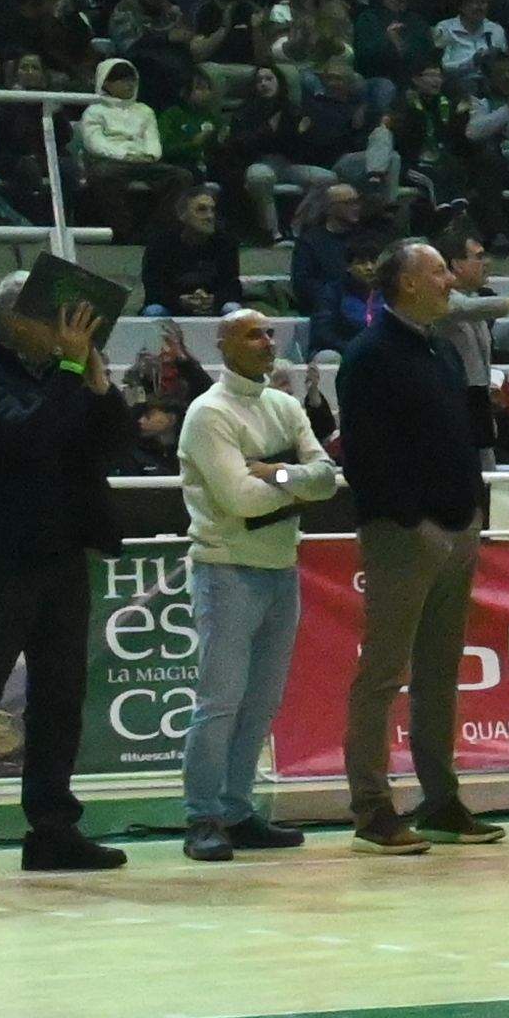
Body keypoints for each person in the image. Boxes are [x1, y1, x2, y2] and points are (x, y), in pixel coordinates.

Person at [0, 275, 132, 881]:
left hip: (62, 553)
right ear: (14, 320)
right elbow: (27, 438)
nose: (68, 332)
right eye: (57, 317)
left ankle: (52, 829)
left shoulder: (58, 378)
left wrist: (97, 383)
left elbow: (111, 447)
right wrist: (71, 374)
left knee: (61, 696)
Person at [334, 240, 500, 856]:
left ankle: (440, 800)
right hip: (405, 534)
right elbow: (367, 454)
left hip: (458, 527)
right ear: (404, 284)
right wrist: (411, 522)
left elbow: (461, 438)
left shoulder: (443, 351)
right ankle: (372, 807)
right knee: (383, 673)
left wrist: (471, 513)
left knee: (440, 673)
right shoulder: (369, 354)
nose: (450, 279)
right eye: (437, 271)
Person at [171, 307, 334, 862]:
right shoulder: (208, 414)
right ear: (222, 345)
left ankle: (238, 810)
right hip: (226, 568)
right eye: (251, 334)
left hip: (279, 567)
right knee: (220, 701)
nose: (266, 342)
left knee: (261, 701)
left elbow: (328, 479)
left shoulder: (285, 406)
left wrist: (276, 473)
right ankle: (203, 817)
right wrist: (295, 480)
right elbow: (239, 499)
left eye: (269, 333)